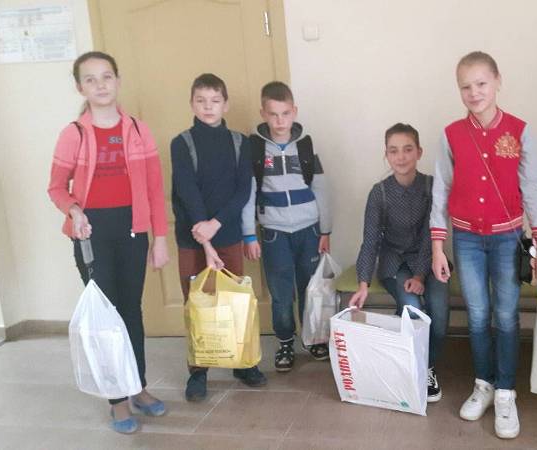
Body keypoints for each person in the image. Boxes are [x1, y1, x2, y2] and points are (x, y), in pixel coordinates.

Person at [429, 51, 537, 439]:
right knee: (478, 315)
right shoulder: (451, 134)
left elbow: (531, 188)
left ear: (498, 81)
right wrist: (438, 246)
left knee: (507, 315)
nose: (474, 92)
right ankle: (483, 384)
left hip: (506, 239)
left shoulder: (519, 131)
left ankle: (505, 392)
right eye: (465, 86)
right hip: (466, 239)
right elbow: (441, 190)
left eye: (481, 83)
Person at [47, 51, 169, 434]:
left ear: (117, 80)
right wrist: (74, 211)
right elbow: (56, 188)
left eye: (106, 77)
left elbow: (154, 189)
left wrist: (160, 238)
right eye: (91, 79)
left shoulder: (138, 130)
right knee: (106, 319)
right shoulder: (73, 134)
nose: (100, 85)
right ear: (79, 87)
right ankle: (118, 401)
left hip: (132, 231)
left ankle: (138, 386)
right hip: (92, 234)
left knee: (131, 311)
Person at [171, 73, 267, 403]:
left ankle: (243, 363)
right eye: (201, 100)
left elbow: (243, 190)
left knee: (233, 301)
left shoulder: (240, 143)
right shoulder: (181, 143)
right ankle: (198, 371)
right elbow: (187, 190)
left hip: (227, 234)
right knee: (197, 303)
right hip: (192, 238)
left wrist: (216, 224)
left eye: (215, 100)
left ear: (225, 104)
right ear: (191, 104)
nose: (208, 107)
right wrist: (204, 234)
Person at [348, 123, 451, 402]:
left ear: (419, 152)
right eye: (393, 151)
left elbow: (433, 235)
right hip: (394, 263)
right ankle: (412, 366)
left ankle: (427, 366)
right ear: (386, 155)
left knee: (439, 310)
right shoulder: (379, 193)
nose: (401, 157)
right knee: (412, 308)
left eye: (407, 149)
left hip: (430, 259)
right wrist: (363, 283)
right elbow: (370, 240)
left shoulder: (431, 186)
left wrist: (420, 275)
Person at [242, 81, 332, 372]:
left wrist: (326, 230)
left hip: (309, 231)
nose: (280, 121)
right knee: (281, 293)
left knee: (310, 289)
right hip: (274, 233)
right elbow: (248, 194)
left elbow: (321, 189)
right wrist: (248, 234)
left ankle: (314, 338)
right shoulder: (255, 149)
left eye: (285, 114)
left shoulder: (306, 146)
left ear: (294, 111)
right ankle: (284, 343)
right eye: (273, 114)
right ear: (263, 114)